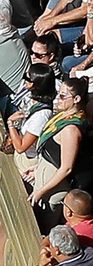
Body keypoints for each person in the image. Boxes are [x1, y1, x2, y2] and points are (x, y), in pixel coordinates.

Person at [29, 77, 92, 217]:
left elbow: (66, 168)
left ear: (76, 99)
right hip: (44, 175)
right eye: (59, 94)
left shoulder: (71, 129)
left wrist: (41, 191)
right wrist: (37, 168)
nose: (58, 98)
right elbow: (54, 151)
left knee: (46, 223)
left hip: (52, 189)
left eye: (63, 96)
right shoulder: (63, 116)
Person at [7, 64, 58, 173]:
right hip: (23, 156)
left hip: (27, 161)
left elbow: (21, 147)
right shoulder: (33, 99)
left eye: (27, 78)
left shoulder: (41, 115)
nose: (24, 79)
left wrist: (10, 123)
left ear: (36, 85)